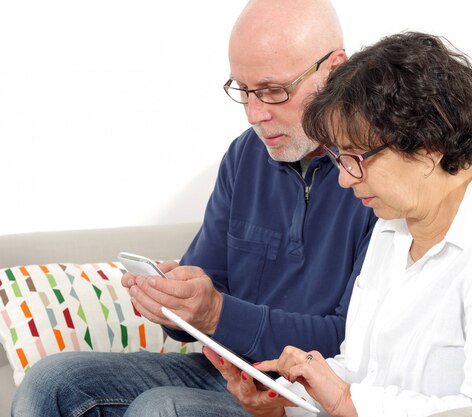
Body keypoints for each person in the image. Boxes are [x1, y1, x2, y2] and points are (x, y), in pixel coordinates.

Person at [11, 1, 376, 416]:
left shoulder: (381, 173)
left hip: (309, 394)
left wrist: (217, 313)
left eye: (275, 91)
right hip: (225, 373)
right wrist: (173, 301)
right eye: (243, 90)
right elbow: (204, 296)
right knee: (52, 382)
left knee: (160, 408)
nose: (255, 115)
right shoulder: (245, 157)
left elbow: (353, 341)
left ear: (334, 69)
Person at [205, 31, 472, 417]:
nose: (345, 179)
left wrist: (348, 402)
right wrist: (284, 399)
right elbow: (358, 368)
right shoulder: (392, 229)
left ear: (428, 147)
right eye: (339, 158)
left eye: (356, 158)